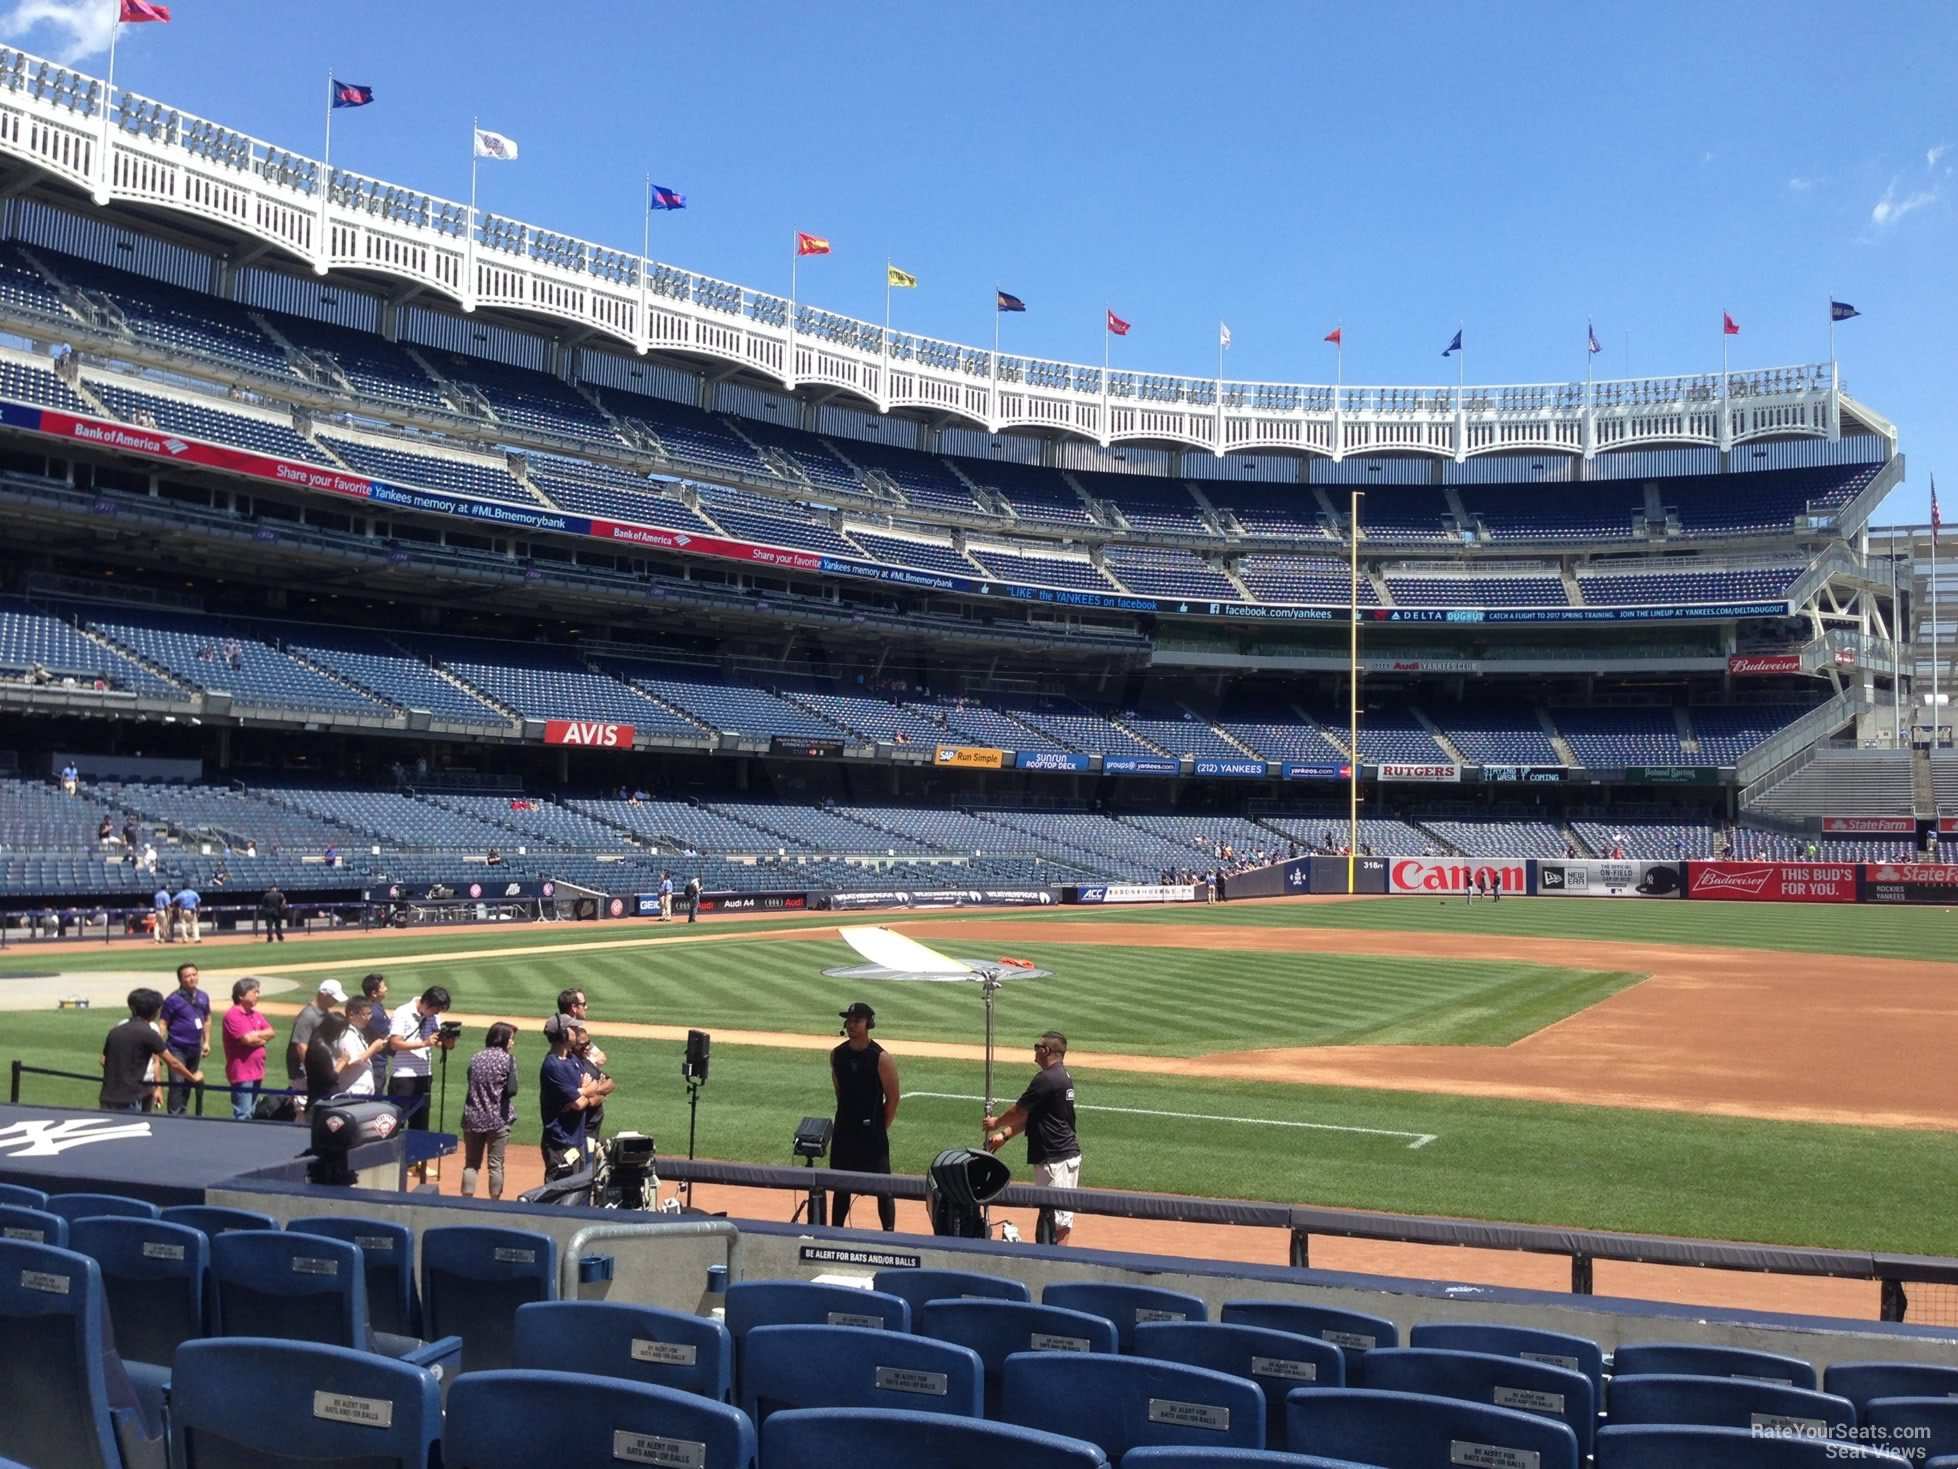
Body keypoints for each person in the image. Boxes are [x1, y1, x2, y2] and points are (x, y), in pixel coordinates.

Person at [984, 1030, 1081, 1245]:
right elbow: (1034, 1117)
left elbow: (1019, 1110)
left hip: (1058, 1158)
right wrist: (1004, 1135)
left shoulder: (1047, 1079)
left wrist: (996, 1122)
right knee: (1048, 1214)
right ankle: (1046, 1257)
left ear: (1046, 1050)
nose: (1034, 1051)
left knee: (1059, 1220)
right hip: (1052, 1157)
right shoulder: (1059, 1076)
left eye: (1036, 1046)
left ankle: (1057, 1262)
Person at [829, 1002, 900, 1232]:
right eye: (849, 1020)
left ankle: (889, 1235)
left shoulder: (880, 1057)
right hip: (844, 1132)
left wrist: (880, 1127)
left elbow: (893, 1098)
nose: (851, 1025)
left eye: (857, 1021)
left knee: (883, 1188)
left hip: (872, 1135)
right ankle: (835, 1233)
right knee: (840, 1187)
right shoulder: (837, 1055)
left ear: (868, 1024)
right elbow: (840, 1091)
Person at [100, 988, 201, 1112]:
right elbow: (173, 1063)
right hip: (130, 1099)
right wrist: (193, 1078)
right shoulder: (149, 1033)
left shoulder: (115, 1031)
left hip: (107, 1096)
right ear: (155, 1011)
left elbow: (104, 1060)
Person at [539, 1013, 610, 1183]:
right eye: (573, 1028)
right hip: (560, 1143)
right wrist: (585, 1091)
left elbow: (590, 1090)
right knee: (558, 1191)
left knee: (578, 1188)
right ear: (563, 1034)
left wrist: (583, 1091)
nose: (578, 1031)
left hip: (576, 1140)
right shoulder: (553, 1066)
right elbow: (579, 1103)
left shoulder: (572, 1059)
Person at [460, 1022, 520, 1199]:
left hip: (473, 1117)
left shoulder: (476, 1057)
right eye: (511, 1039)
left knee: (471, 1164)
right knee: (495, 1164)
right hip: (498, 1119)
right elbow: (512, 1090)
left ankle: (466, 1201)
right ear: (502, 1039)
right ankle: (494, 1202)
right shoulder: (508, 1060)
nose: (512, 1043)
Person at [387, 984, 456, 1135]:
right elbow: (395, 1043)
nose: (436, 1013)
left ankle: (416, 1158)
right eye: (434, 1010)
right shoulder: (402, 1012)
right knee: (400, 1121)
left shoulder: (433, 1016)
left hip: (425, 1074)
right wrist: (424, 1043)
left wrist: (446, 1044)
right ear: (425, 1003)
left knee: (420, 1122)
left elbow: (435, 1040)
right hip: (404, 1076)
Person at [157, 962, 210, 1115]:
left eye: (194, 974)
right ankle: (174, 1114)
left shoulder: (203, 997)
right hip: (177, 1047)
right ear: (180, 980)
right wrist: (157, 1044)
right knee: (177, 1082)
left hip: (195, 1047)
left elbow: (207, 1019)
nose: (192, 978)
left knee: (189, 1081)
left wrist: (206, 1041)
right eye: (187, 976)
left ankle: (183, 1113)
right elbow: (163, 1023)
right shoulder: (172, 1000)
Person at [556, 988, 608, 1141]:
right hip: (570, 1127)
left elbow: (602, 1058)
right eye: (583, 1004)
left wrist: (594, 1087)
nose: (586, 1008)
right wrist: (593, 1090)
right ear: (573, 1007)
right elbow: (577, 1103)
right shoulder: (564, 1034)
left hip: (587, 1117)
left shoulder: (580, 1032)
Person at [222, 978, 277, 1121]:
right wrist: (261, 1039)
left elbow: (271, 1032)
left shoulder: (255, 1014)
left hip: (257, 1070)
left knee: (251, 1113)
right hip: (242, 1072)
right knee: (243, 1113)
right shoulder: (233, 1015)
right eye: (254, 992)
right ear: (241, 995)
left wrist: (256, 1035)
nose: (257, 995)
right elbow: (247, 1040)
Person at [287, 979, 346, 1085]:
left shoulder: (323, 1012)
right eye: (333, 998)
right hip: (304, 1071)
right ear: (324, 995)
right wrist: (313, 1070)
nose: (336, 1002)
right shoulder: (308, 1016)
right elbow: (301, 1046)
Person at [361, 973, 392, 1089]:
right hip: (376, 1063)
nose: (386, 989)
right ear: (374, 993)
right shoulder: (374, 1012)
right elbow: (386, 1037)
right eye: (383, 987)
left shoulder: (376, 1007)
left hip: (377, 1061)